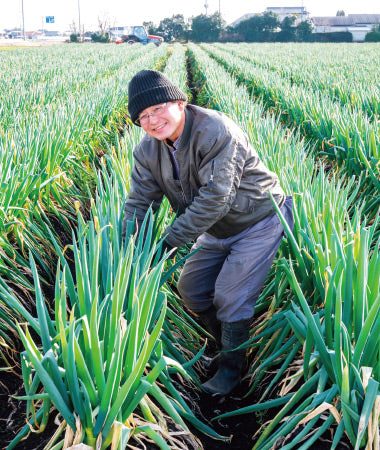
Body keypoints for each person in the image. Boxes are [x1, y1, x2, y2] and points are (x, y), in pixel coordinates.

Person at [122, 69, 294, 396]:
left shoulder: (215, 130)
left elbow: (217, 198)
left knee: (230, 295)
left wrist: (168, 242)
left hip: (257, 218)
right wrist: (128, 247)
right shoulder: (148, 151)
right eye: (143, 116)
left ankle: (233, 368)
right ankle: (226, 342)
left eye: (157, 108)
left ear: (180, 102)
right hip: (214, 228)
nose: (152, 120)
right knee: (192, 289)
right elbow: (139, 201)